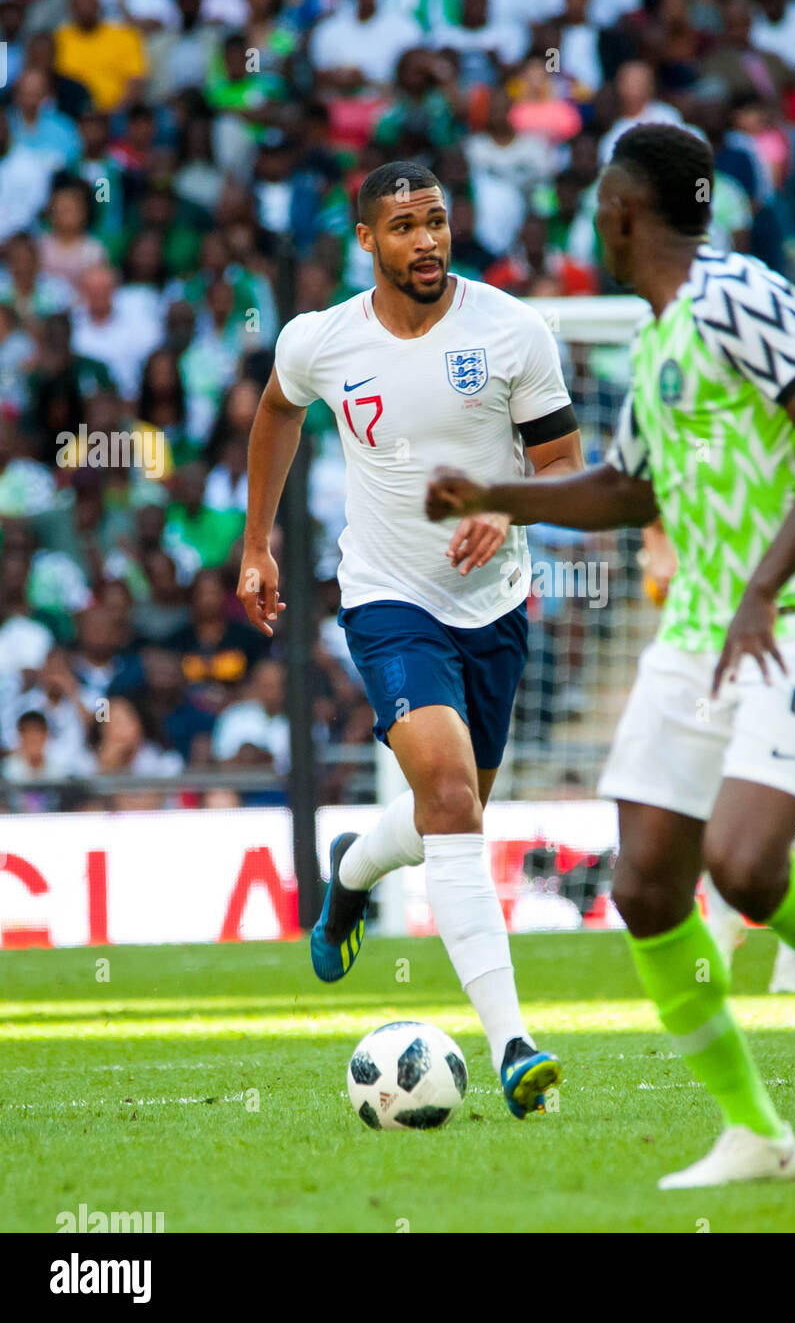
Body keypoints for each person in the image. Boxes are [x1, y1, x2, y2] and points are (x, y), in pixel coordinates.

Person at [427, 124, 795, 1187]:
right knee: (642, 885)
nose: (592, 224)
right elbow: (628, 491)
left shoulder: (737, 293)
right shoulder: (656, 341)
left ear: (625, 212)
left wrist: (763, 588)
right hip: (699, 633)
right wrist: (497, 493)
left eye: (598, 207)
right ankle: (754, 1134)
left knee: (743, 863)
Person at [237, 160, 583, 1119]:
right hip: (387, 599)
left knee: (453, 810)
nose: (425, 240)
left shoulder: (514, 331)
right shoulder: (323, 341)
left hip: (496, 607)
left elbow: (564, 463)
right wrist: (257, 541)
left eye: (436, 221)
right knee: (446, 792)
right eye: (403, 227)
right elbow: (275, 411)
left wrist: (508, 508)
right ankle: (513, 1045)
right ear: (368, 242)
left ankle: (350, 867)